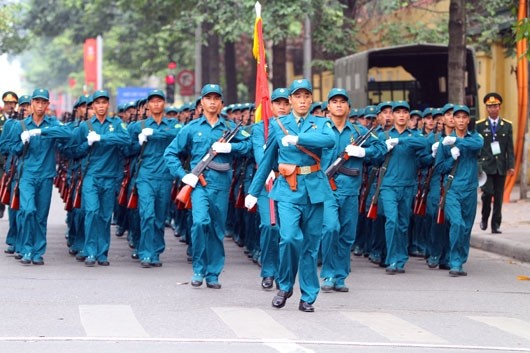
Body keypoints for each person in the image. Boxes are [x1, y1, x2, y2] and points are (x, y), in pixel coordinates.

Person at [245, 79, 335, 312]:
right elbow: (266, 161)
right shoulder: (278, 125)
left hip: (314, 189)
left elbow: (329, 140)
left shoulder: (320, 123)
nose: (302, 101)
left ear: (311, 100)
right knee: (289, 238)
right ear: (292, 100)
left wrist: (299, 139)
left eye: (306, 96)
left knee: (311, 246)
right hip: (287, 189)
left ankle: (308, 296)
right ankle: (285, 285)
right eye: (298, 97)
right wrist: (253, 192)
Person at [164, 84, 251, 289]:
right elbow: (170, 153)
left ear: (221, 103)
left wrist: (231, 146)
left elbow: (248, 147)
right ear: (201, 102)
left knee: (216, 228)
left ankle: (213, 273)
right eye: (208, 98)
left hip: (221, 184)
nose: (212, 102)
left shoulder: (229, 129)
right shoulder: (192, 128)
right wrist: (184, 176)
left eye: (216, 98)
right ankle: (198, 269)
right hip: (199, 185)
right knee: (200, 222)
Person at [320, 88, 385, 292]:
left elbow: (381, 150)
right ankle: (328, 274)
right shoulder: (320, 129)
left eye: (342, 101)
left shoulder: (359, 132)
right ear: (328, 107)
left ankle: (340, 276)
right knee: (331, 229)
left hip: (350, 190)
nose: (339, 105)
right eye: (334, 101)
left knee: (347, 234)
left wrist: (363, 151)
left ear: (348, 107)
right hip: (326, 189)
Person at [9, 89, 72, 265]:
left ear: (47, 105)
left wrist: (41, 132)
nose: (40, 105)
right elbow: (13, 150)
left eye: (43, 102)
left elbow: (68, 134)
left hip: (45, 175)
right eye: (36, 102)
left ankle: (37, 252)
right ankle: (26, 248)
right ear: (31, 105)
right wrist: (22, 142)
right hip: (27, 175)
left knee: (41, 215)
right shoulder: (21, 125)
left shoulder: (52, 124)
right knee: (28, 210)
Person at [72, 90, 131, 266]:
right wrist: (87, 144)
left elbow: (126, 140)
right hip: (91, 175)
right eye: (97, 103)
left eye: (104, 102)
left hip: (110, 176)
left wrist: (103, 138)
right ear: (93, 106)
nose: (101, 106)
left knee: (105, 216)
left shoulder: (117, 123)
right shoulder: (85, 126)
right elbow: (75, 151)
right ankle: (90, 251)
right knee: (91, 212)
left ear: (108, 105)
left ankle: (102, 252)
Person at [129, 89, 180, 267]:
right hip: (145, 176)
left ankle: (156, 251)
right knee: (147, 214)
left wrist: (155, 134)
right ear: (148, 105)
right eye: (153, 101)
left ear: (164, 104)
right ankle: (145, 252)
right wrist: (138, 142)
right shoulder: (138, 127)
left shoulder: (173, 125)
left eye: (159, 101)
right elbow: (127, 150)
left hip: (165, 176)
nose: (156, 104)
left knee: (159, 217)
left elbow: (178, 136)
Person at [436, 105, 483, 276]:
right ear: (452, 120)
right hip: (452, 189)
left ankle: (460, 259)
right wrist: (451, 159)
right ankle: (455, 262)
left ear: (468, 120)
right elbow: (439, 168)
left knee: (466, 227)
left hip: (470, 189)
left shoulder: (474, 137)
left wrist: (457, 142)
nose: (461, 120)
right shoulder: (445, 143)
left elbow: (479, 144)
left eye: (464, 117)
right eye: (458, 117)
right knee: (457, 223)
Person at [252, 87, 290, 290]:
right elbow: (259, 150)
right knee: (269, 226)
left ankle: (284, 273)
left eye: (285, 103)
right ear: (271, 106)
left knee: (287, 231)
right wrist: (266, 168)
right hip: (268, 182)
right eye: (278, 103)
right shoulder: (261, 128)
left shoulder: (295, 126)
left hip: (290, 182)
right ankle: (268, 271)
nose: (282, 107)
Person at [475, 93, 514, 234]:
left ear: (500, 107)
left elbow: (510, 147)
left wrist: (511, 165)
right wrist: (477, 166)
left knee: (498, 197)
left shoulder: (507, 125)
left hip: (501, 166)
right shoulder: (479, 126)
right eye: (490, 106)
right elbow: (477, 148)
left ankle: (495, 224)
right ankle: (485, 217)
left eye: (495, 106)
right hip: (486, 166)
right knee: (487, 193)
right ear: (486, 108)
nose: (493, 109)